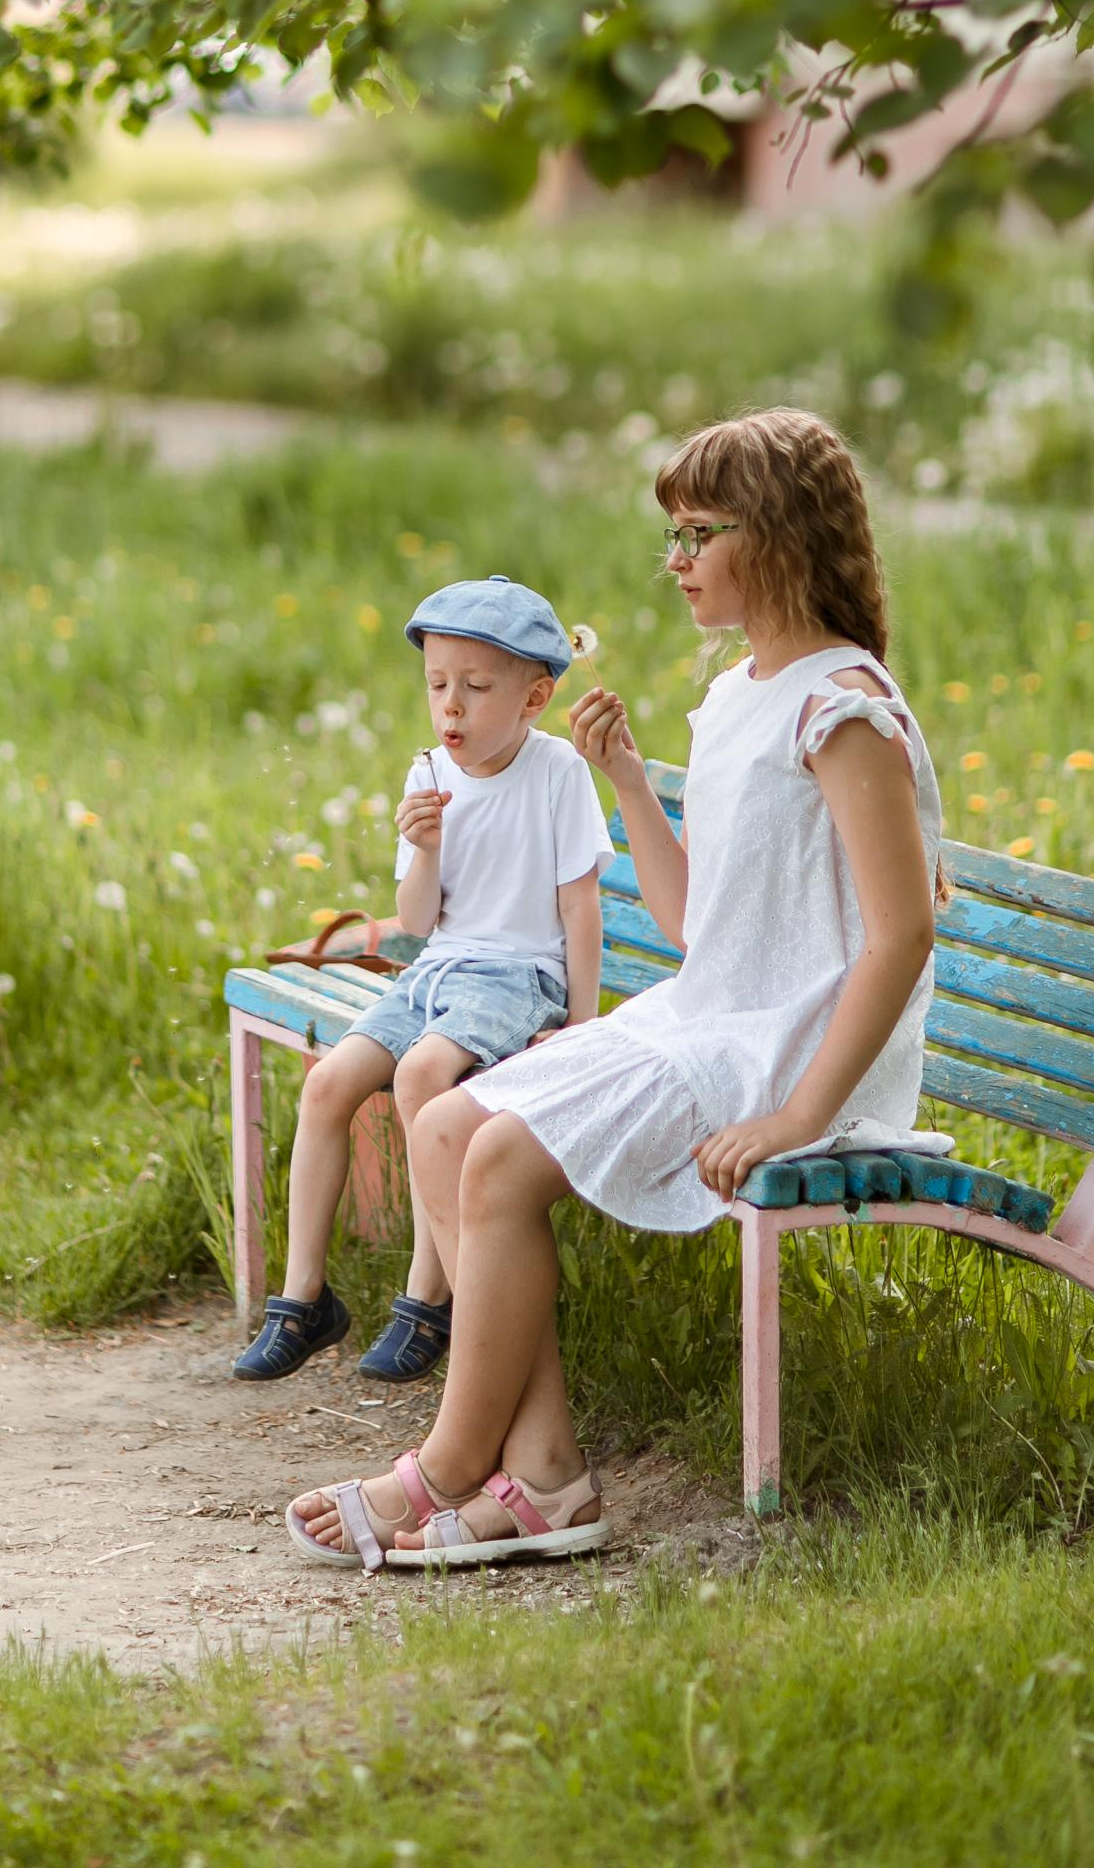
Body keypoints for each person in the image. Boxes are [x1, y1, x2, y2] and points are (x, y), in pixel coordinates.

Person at [285, 406, 943, 1569]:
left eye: (699, 532)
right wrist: (630, 783)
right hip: (710, 1014)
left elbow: (896, 940)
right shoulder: (742, 691)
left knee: (486, 1153)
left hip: (789, 1056)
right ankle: (543, 1475)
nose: (675, 561)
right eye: (672, 535)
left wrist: (794, 1118)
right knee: (443, 1126)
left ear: (779, 535)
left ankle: (444, 1469)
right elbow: (695, 925)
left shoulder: (843, 708)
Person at [234, 574, 608, 1386]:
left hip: (517, 979)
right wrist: (426, 846)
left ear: (535, 696)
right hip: (437, 972)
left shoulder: (557, 775)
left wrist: (583, 1024)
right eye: (437, 686)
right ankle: (304, 1300)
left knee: (422, 1075)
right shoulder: (428, 774)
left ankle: (426, 1301)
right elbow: (413, 920)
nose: (451, 708)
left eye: (475, 689)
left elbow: (580, 908)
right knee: (329, 1085)